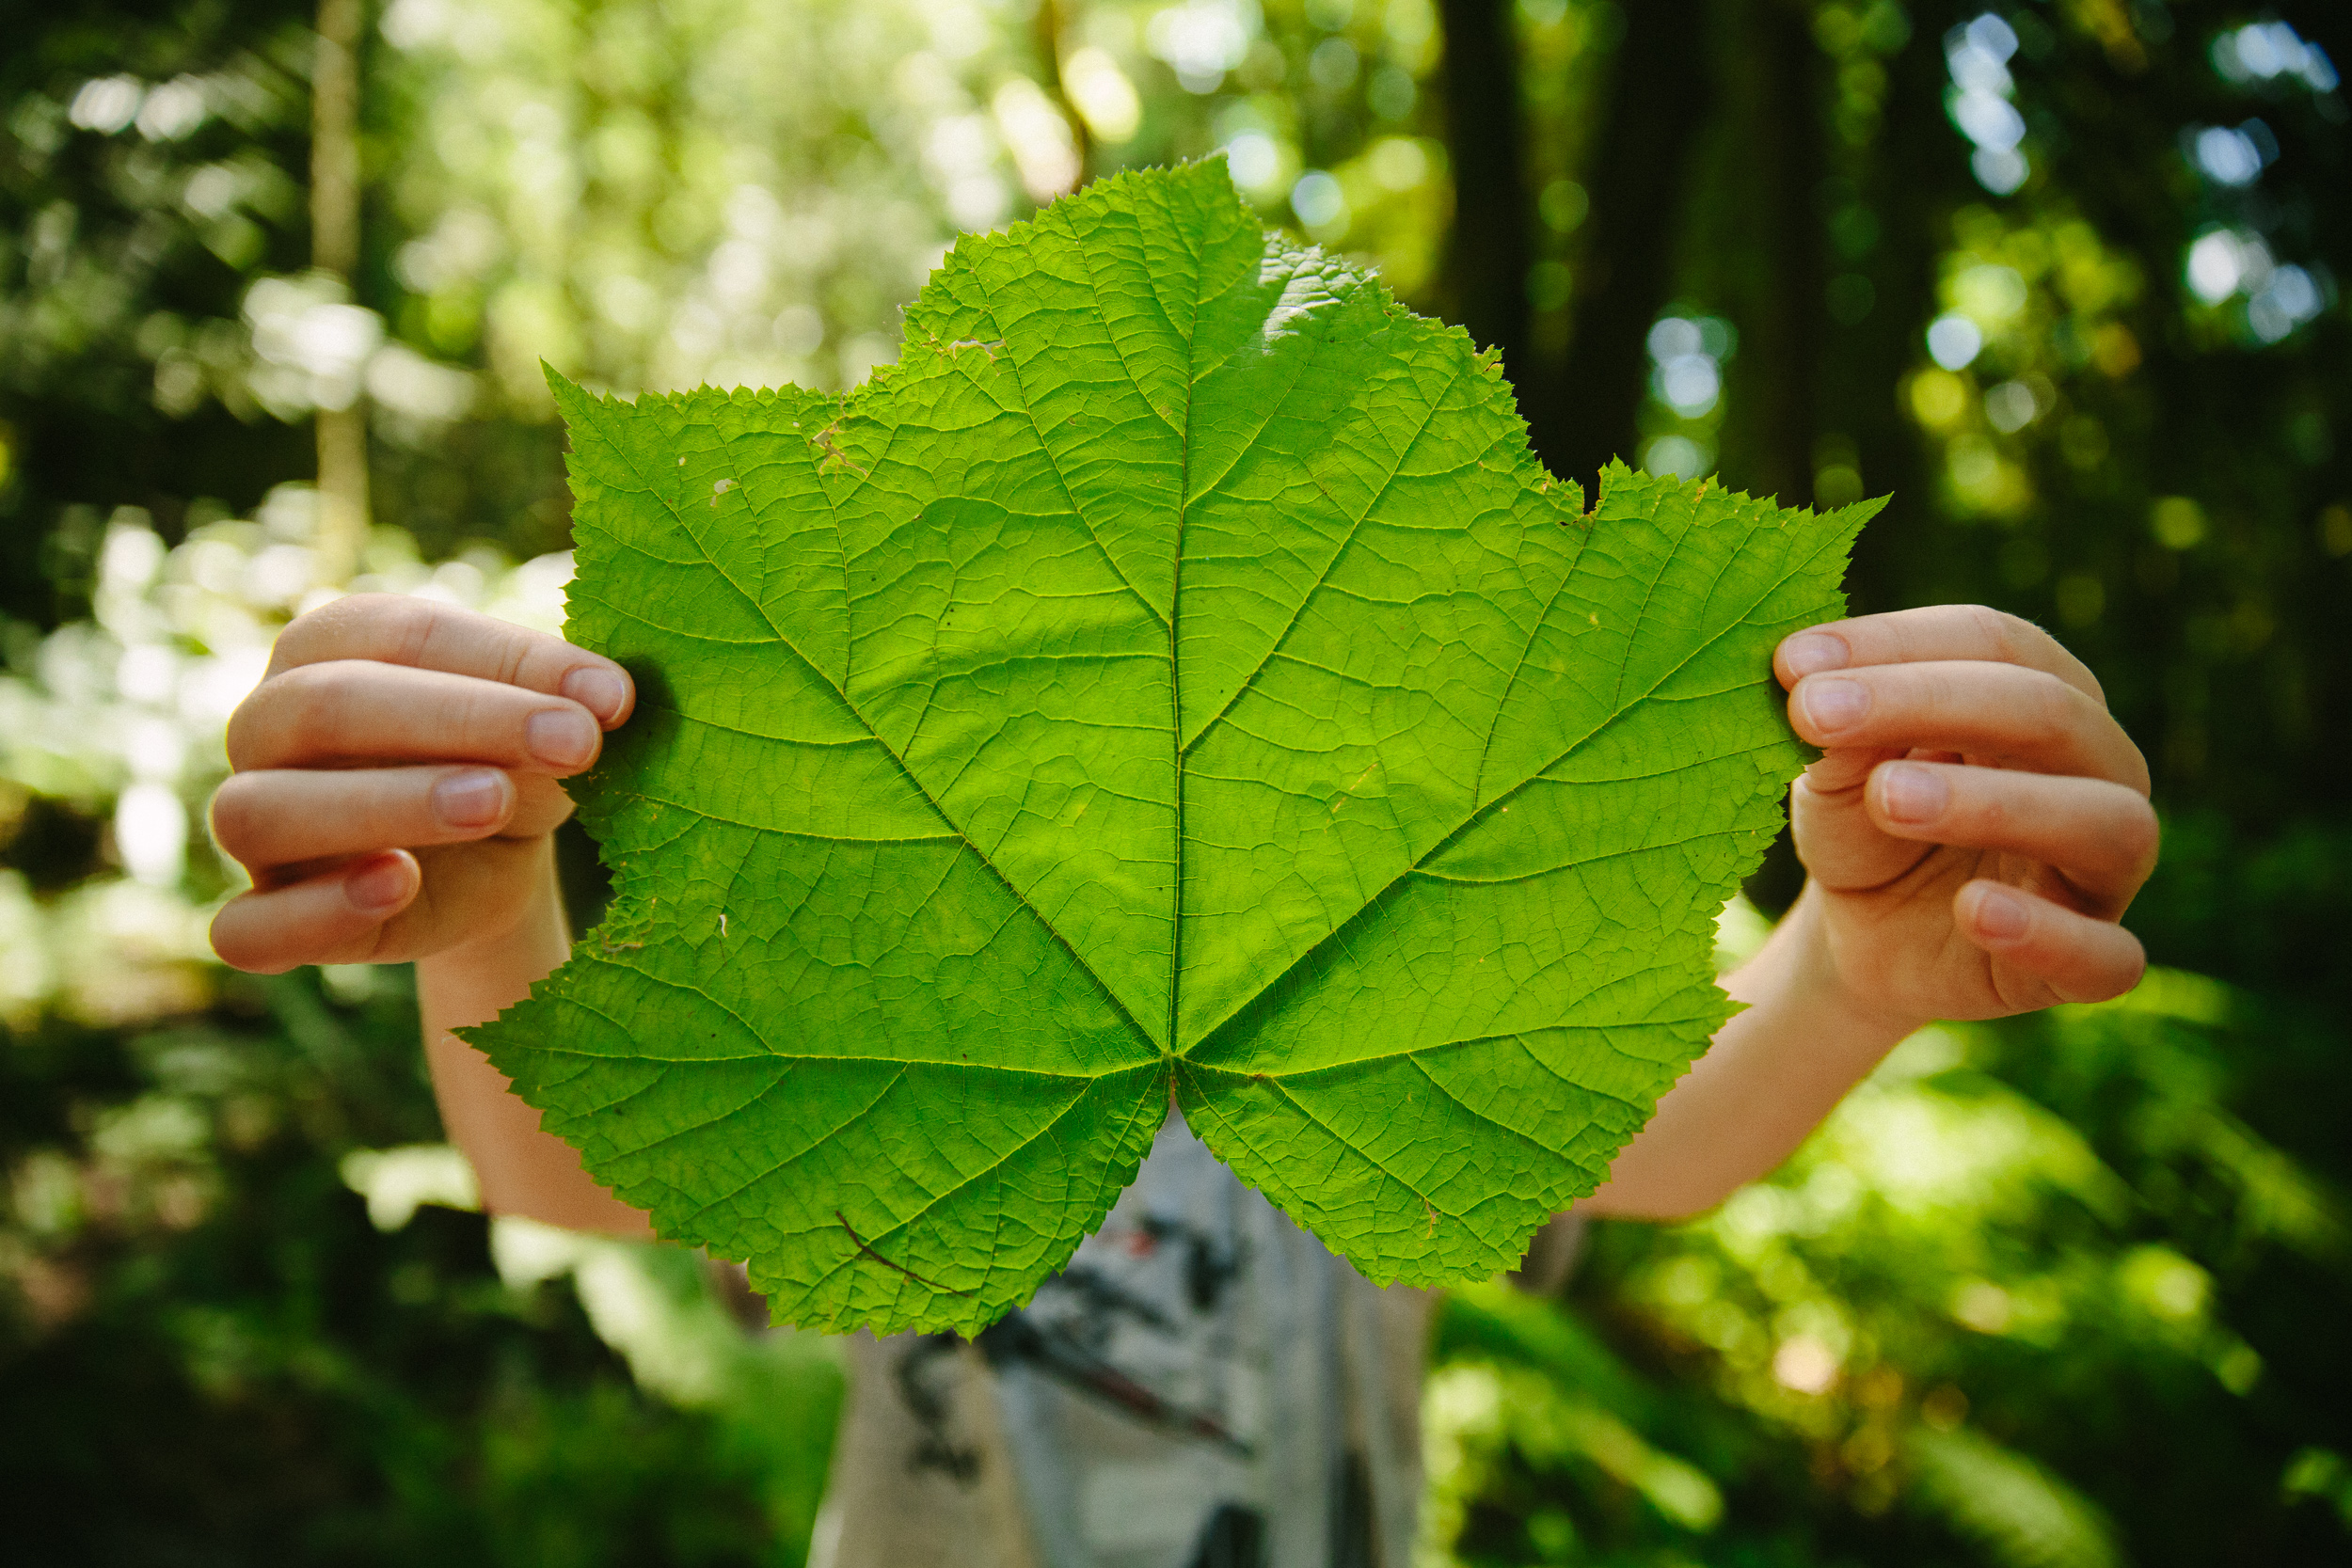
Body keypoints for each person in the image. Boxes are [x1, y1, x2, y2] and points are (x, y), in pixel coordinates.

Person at [208, 593, 2155, 1568]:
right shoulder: (910, 997)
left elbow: (1663, 1138)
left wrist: (1851, 975)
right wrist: (474, 919)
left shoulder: (1388, 1008)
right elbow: (586, 1182)